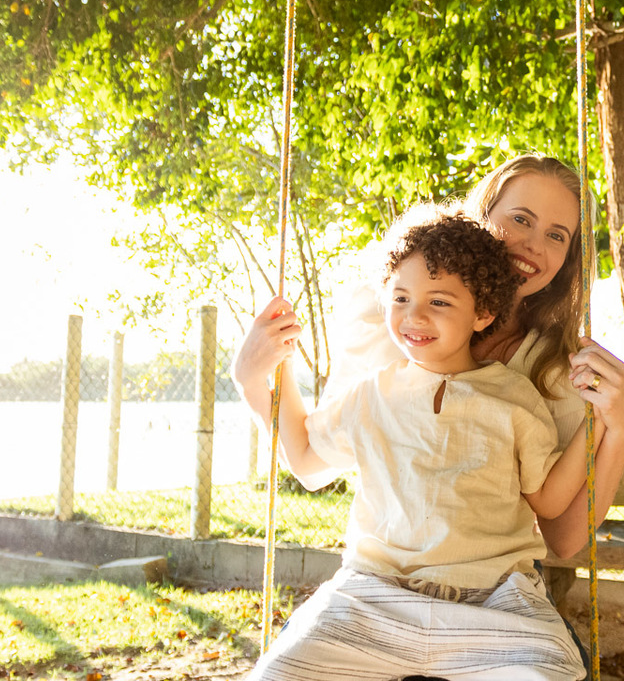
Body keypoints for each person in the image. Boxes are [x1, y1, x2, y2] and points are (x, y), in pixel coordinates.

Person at [237, 212, 593, 679]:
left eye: (439, 302)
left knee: (549, 672)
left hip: (493, 601)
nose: (413, 316)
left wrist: (598, 422)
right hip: (375, 597)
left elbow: (548, 497)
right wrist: (253, 379)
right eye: (400, 297)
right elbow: (304, 457)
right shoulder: (371, 394)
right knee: (278, 674)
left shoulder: (514, 398)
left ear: (482, 312)